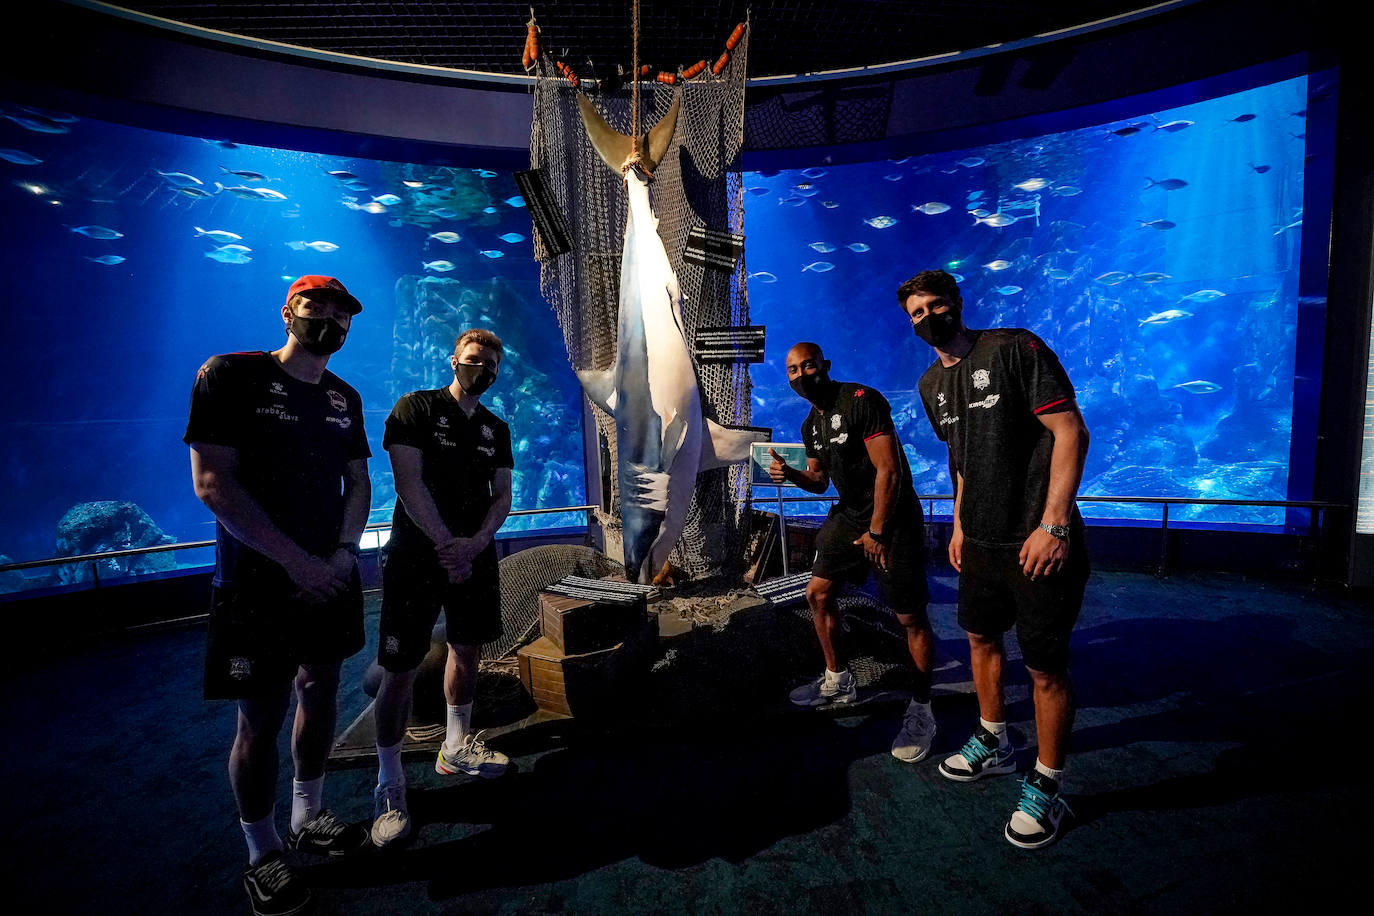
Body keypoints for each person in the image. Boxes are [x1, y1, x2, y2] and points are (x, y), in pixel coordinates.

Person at [186, 275, 372, 916]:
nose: (329, 321)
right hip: (256, 583)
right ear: (288, 310)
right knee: (258, 720)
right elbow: (212, 483)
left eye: (341, 314)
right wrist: (296, 561)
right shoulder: (228, 376)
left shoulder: (345, 398)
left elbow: (357, 481)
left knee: (320, 693)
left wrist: (343, 556)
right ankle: (261, 852)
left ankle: (308, 814)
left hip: (329, 575)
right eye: (316, 307)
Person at [901, 269, 1090, 850]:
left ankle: (1048, 785)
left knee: (1043, 669)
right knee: (981, 640)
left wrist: (1053, 525)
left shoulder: (1014, 347)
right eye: (915, 312)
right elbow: (961, 461)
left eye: (935, 305)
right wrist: (959, 527)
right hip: (980, 543)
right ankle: (994, 742)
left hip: (1037, 541)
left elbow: (1070, 431)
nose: (927, 317)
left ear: (957, 304)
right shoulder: (930, 383)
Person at [368, 328, 515, 849]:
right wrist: (446, 544)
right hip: (416, 556)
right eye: (475, 360)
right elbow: (407, 481)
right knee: (399, 670)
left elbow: (502, 495)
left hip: (473, 555)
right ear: (454, 360)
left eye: (492, 364)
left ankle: (455, 744)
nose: (483, 370)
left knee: (468, 651)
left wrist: (474, 544)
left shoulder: (496, 427)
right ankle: (389, 783)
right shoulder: (416, 409)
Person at [769, 342, 938, 763]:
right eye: (792, 371)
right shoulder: (811, 424)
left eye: (807, 366)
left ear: (825, 365)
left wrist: (877, 531)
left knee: (908, 615)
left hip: (892, 515)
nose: (800, 375)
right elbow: (820, 482)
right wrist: (790, 474)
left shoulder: (862, 400)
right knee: (817, 593)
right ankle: (837, 678)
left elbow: (890, 469)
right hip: (848, 513)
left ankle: (922, 707)